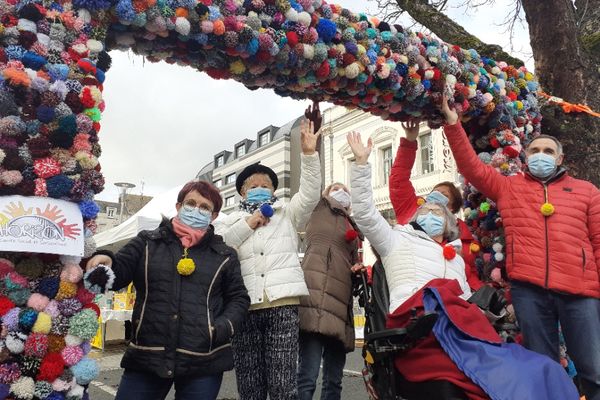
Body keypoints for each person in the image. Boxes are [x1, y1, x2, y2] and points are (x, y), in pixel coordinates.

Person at [347, 131, 579, 400]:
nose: (431, 213)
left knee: (543, 368)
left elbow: (469, 303)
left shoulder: (456, 258)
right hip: (421, 335)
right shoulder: (395, 239)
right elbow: (364, 212)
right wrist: (361, 163)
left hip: (463, 334)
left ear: (449, 224)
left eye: (438, 213)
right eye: (426, 211)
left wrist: (497, 309)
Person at [440, 96, 600, 400]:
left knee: (594, 370)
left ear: (560, 158)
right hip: (530, 291)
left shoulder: (587, 191)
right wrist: (452, 124)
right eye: (535, 150)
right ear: (525, 156)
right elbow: (472, 168)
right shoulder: (508, 187)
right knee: (543, 368)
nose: (541, 155)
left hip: (580, 291)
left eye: (548, 151)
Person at [85, 180, 250, 400]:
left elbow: (238, 299)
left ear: (214, 216)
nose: (196, 210)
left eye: (205, 207)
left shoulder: (224, 255)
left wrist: (219, 329)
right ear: (179, 206)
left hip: (204, 359)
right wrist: (107, 258)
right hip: (148, 355)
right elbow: (119, 272)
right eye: (190, 203)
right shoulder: (147, 242)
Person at [214, 118, 322, 400]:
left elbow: (310, 195)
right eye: (253, 185)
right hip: (243, 307)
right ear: (241, 192)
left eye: (266, 184)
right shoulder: (229, 221)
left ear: (274, 190)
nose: (261, 187)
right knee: (250, 384)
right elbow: (221, 248)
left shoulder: (287, 213)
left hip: (283, 305)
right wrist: (250, 222)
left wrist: (309, 155)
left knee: (283, 383)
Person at [389, 119, 483, 291]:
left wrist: (477, 293)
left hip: (452, 293)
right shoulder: (410, 209)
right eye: (434, 192)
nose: (435, 197)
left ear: (452, 207)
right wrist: (409, 142)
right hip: (412, 288)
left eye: (444, 195)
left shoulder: (461, 231)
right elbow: (398, 179)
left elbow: (468, 270)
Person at [297, 182, 363, 400]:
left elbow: (354, 263)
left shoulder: (352, 227)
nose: (340, 191)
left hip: (340, 304)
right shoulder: (317, 208)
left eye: (344, 189)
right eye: (335, 188)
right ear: (325, 193)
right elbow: (309, 184)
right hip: (314, 299)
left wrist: (357, 270)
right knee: (308, 376)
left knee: (334, 381)